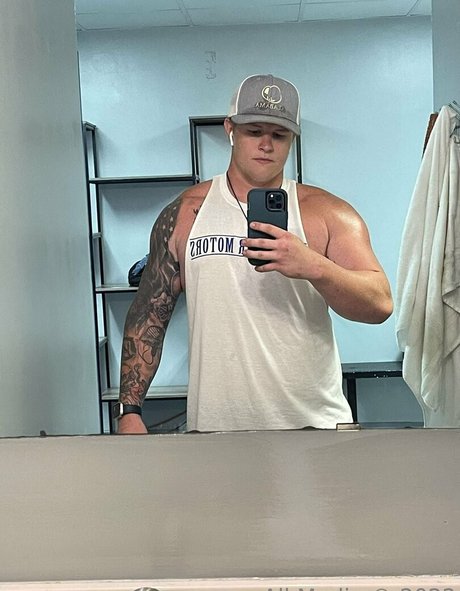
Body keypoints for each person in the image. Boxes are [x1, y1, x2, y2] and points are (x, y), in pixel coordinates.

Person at [114, 73, 393, 434]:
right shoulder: (185, 213)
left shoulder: (328, 213)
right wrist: (129, 410)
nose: (266, 145)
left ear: (292, 139)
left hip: (313, 426)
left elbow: (380, 304)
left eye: (279, 135)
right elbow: (149, 313)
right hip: (215, 428)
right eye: (254, 131)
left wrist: (314, 266)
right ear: (230, 129)